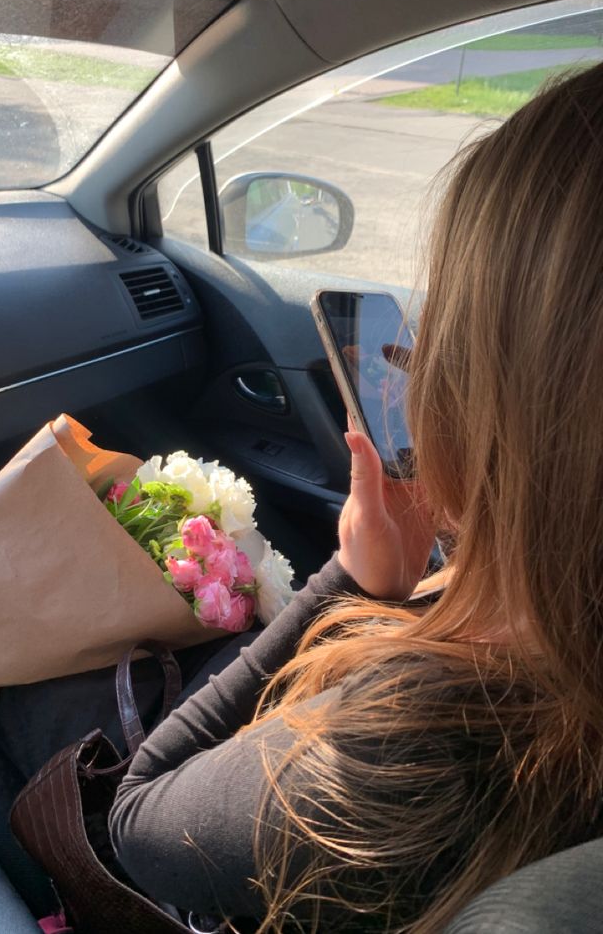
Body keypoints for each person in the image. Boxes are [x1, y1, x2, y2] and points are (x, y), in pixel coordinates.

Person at [106, 59, 603, 933]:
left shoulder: (416, 750)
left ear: (501, 398)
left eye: (451, 315)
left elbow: (138, 814)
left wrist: (349, 579)